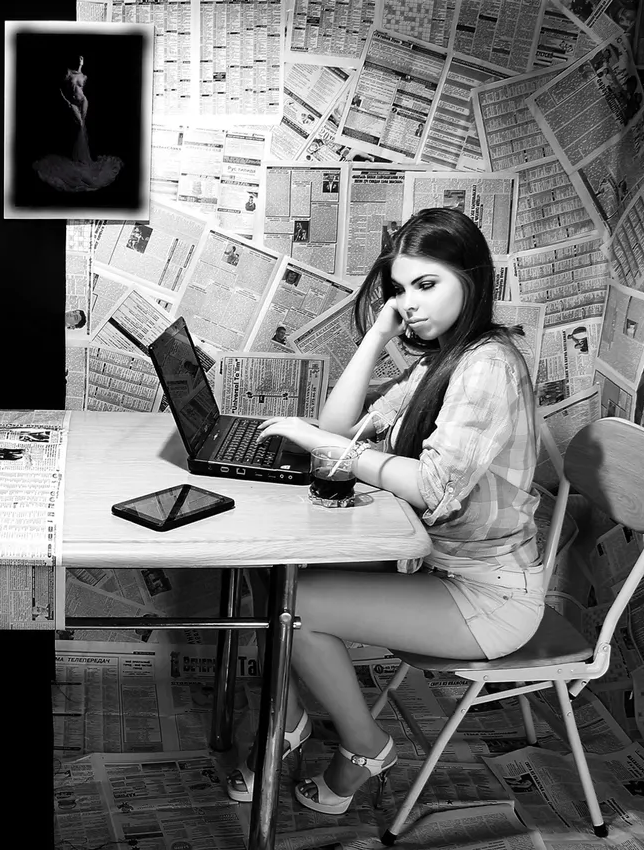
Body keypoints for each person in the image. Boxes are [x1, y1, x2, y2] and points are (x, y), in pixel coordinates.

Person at [225, 208, 543, 817]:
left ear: (472, 281)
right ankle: (288, 724)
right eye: (401, 289)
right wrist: (375, 335)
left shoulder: (488, 367)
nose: (411, 304)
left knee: (294, 608)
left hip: (489, 597)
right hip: (433, 567)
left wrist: (330, 450)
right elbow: (340, 427)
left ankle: (365, 747)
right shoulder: (444, 357)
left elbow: (428, 485)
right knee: (270, 577)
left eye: (427, 285)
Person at [33, 54, 123, 192]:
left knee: (83, 127)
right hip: (73, 103)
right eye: (78, 60)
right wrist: (67, 102)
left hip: (84, 101)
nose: (79, 62)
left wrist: (81, 64)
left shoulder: (81, 74)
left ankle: (82, 159)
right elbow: (62, 90)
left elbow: (79, 76)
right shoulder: (67, 74)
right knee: (80, 125)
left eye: (80, 60)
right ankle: (78, 158)